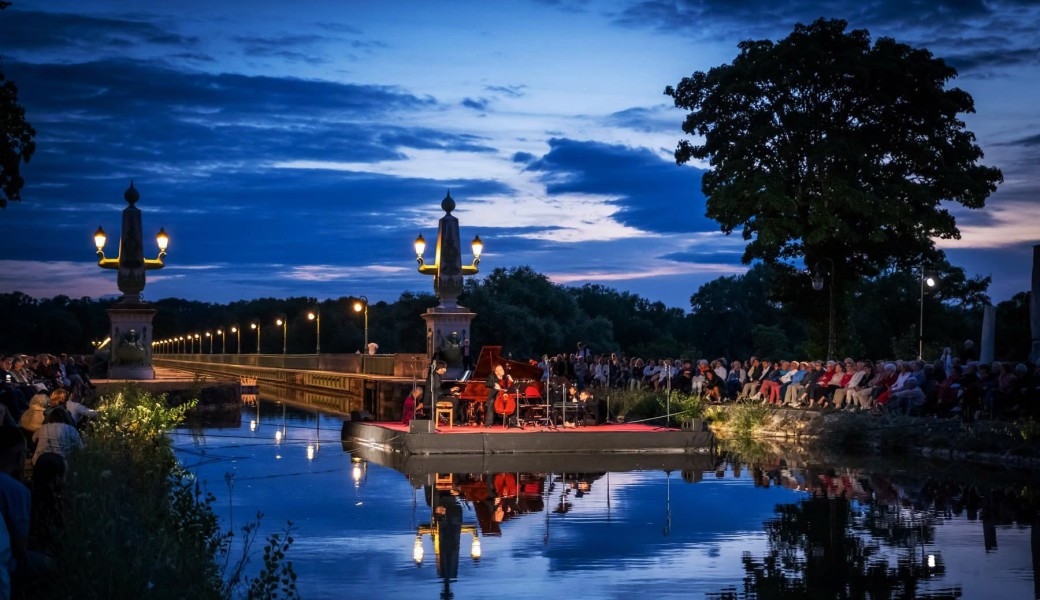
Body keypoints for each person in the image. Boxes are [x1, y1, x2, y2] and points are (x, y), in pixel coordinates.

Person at [484, 364, 512, 428]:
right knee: (491, 403)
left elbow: (510, 385)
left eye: (502, 369)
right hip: (494, 395)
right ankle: (488, 424)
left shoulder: (506, 376)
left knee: (510, 402)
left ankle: (511, 422)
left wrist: (511, 380)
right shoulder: (492, 376)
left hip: (504, 395)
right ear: (496, 372)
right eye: (500, 370)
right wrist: (494, 384)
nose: (502, 370)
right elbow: (487, 384)